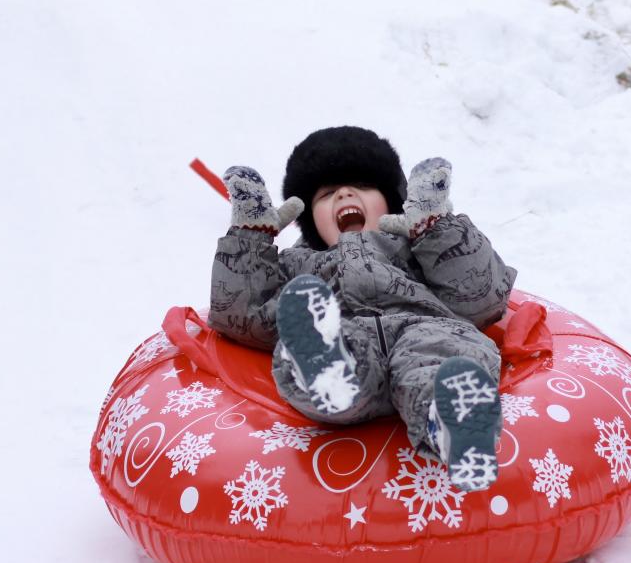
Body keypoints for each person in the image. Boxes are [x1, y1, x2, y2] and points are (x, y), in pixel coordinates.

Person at [209, 126, 517, 492]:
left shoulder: (417, 249)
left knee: (441, 352)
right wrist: (251, 236)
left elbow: (480, 296)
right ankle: (328, 370)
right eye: (325, 194)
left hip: (423, 328)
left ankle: (450, 421)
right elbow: (245, 315)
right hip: (346, 334)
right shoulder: (297, 264)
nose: (343, 193)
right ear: (308, 217)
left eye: (363, 185)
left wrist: (436, 229)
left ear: (393, 201)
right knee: (319, 325)